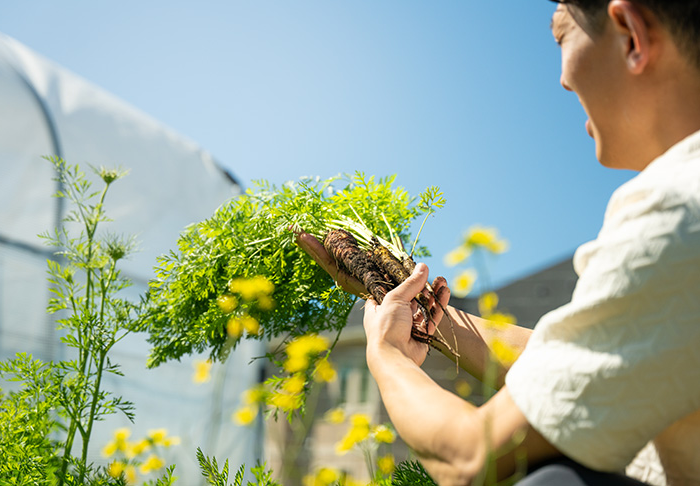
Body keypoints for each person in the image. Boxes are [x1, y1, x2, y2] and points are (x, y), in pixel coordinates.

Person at [296, 0, 700, 484]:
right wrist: (431, 319)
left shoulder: (677, 213)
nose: (564, 80)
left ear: (631, 34)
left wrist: (386, 355)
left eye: (561, 38)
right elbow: (569, 369)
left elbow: (471, 454)